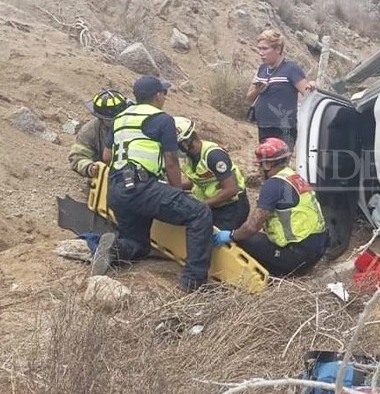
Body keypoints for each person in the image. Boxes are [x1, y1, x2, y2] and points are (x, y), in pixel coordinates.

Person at [93, 75, 213, 292]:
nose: (165, 97)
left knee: (138, 244)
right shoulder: (163, 119)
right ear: (158, 95)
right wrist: (178, 194)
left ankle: (115, 248)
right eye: (164, 93)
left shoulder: (120, 118)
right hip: (142, 187)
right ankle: (193, 282)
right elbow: (171, 161)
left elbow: (107, 156)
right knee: (199, 213)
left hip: (117, 191)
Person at [211, 138, 328, 277]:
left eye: (261, 165)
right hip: (316, 250)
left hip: (297, 256)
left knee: (242, 239)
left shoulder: (273, 184)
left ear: (268, 164)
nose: (259, 169)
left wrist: (230, 235)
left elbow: (252, 227)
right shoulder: (293, 176)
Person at [174, 116, 249, 230]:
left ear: (186, 142)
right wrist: (173, 186)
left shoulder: (213, 156)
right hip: (214, 205)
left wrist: (201, 205)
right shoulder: (190, 158)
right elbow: (197, 182)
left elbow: (231, 189)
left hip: (231, 208)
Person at [245, 29, 316, 147]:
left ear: (278, 49)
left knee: (279, 163)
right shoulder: (262, 69)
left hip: (284, 128)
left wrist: (312, 85)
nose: (261, 53)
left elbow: (308, 93)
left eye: (265, 49)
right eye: (259, 48)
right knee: (266, 162)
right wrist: (258, 90)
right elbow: (249, 97)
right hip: (264, 126)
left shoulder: (291, 69)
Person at [69, 89, 131, 179]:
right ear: (100, 118)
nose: (114, 122)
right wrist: (90, 168)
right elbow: (77, 156)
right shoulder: (90, 130)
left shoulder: (138, 126)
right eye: (110, 120)